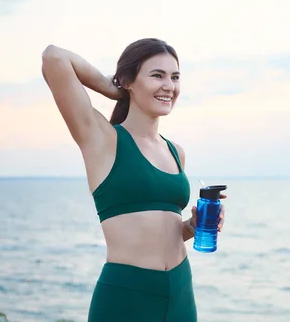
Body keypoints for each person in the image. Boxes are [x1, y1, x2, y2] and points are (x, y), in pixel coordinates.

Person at [41, 38, 226, 321]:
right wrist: (113, 88)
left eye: (175, 77)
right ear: (129, 80)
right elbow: (54, 58)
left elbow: (161, 233)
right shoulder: (103, 140)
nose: (169, 86)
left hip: (180, 295)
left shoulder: (177, 152)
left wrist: (192, 226)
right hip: (126, 296)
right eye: (157, 75)